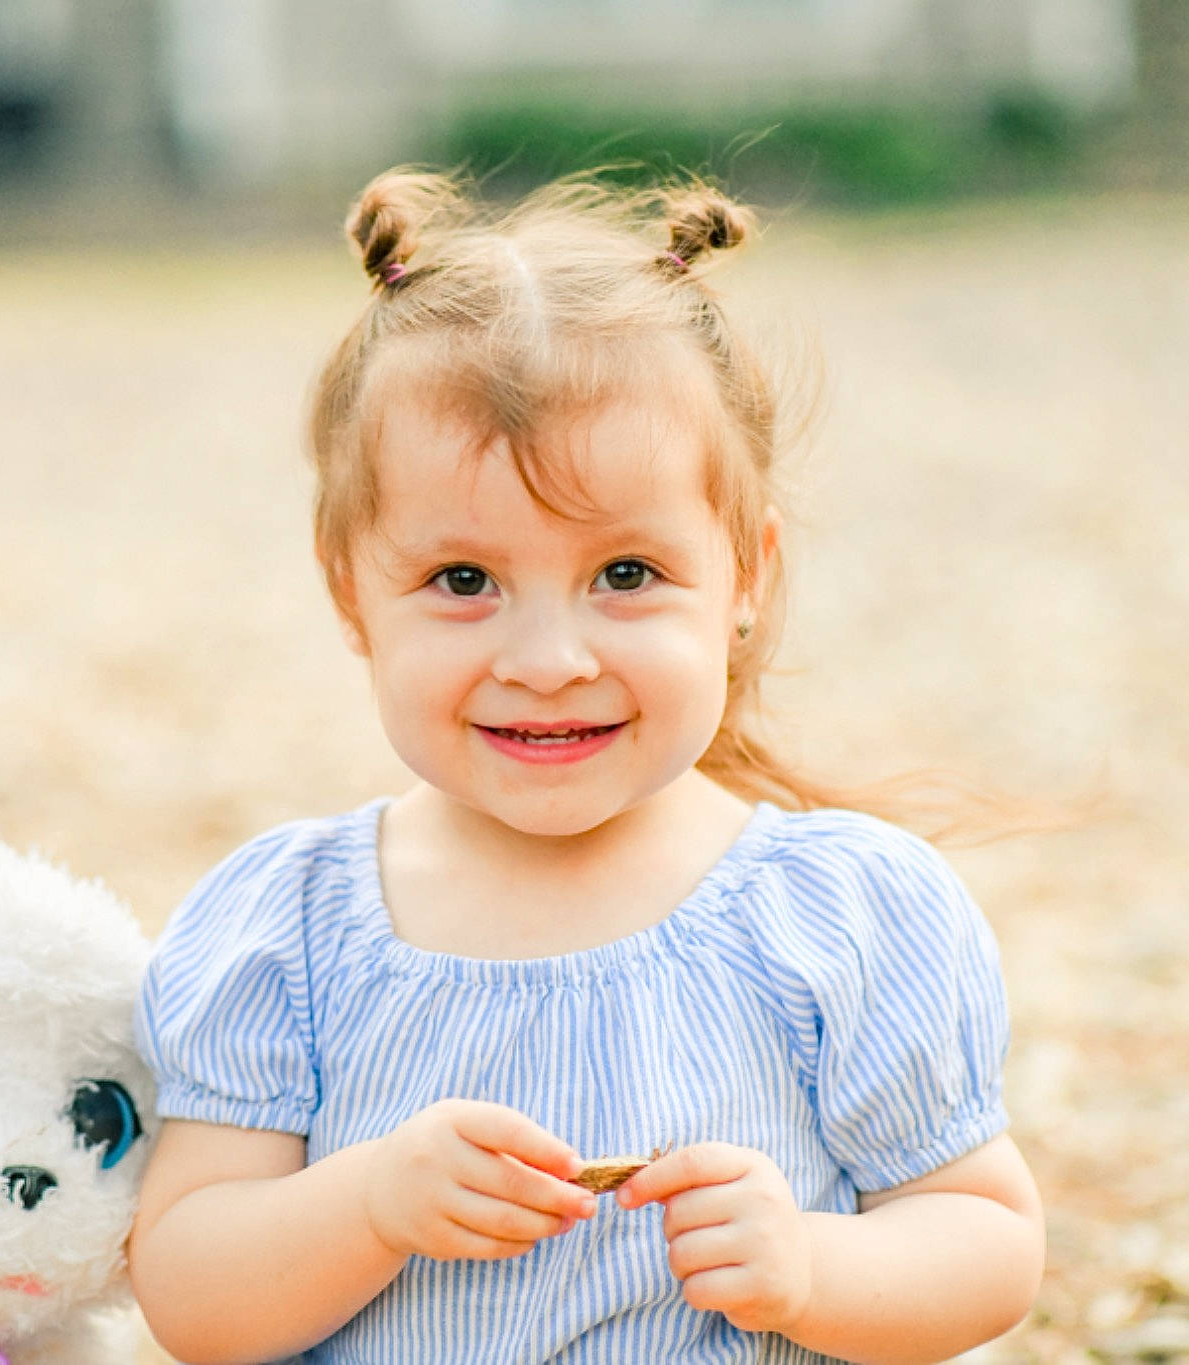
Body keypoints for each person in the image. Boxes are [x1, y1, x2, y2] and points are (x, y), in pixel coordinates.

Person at [126, 169, 1045, 1365]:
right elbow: (189, 1293)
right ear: (350, 591)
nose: (548, 662)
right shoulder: (286, 928)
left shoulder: (840, 914)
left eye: (624, 575)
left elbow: (983, 1236)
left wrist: (813, 1269)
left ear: (745, 576)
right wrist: (368, 1205)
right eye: (463, 581)